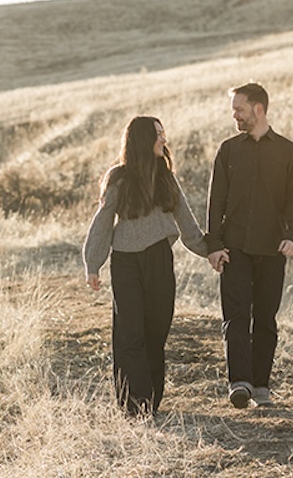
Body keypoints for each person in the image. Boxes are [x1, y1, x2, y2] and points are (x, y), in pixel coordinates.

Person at [83, 115, 210, 416]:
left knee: (156, 330)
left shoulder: (165, 176)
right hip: (125, 261)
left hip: (158, 259)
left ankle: (151, 398)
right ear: (142, 139)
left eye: (163, 133)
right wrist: (93, 264)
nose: (164, 139)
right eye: (158, 134)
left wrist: (210, 251)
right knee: (130, 332)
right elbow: (103, 221)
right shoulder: (118, 178)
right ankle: (134, 402)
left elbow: (186, 220)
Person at [204, 82, 293, 409]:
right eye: (234, 109)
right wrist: (213, 245)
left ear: (258, 109)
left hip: (272, 249)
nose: (234, 115)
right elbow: (215, 202)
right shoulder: (228, 150)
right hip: (234, 248)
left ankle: (261, 386)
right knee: (235, 317)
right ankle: (239, 383)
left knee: (265, 319)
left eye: (239, 109)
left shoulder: (287, 151)